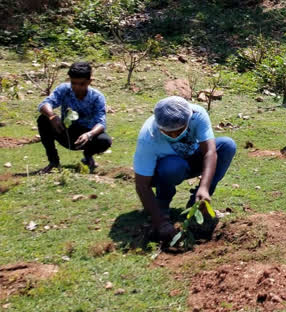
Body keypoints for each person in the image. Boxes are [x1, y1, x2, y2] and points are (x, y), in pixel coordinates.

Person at [132, 96, 236, 241]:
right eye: (168, 133)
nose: (174, 135)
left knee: (227, 145)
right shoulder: (148, 136)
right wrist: (160, 222)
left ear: (188, 120)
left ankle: (198, 201)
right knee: (172, 166)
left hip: (191, 159)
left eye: (179, 130)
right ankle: (162, 207)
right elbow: (142, 184)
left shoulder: (197, 115)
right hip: (164, 171)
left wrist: (204, 187)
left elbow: (210, 152)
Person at [36, 61, 111, 174]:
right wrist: (52, 116)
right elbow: (44, 104)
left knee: (105, 140)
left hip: (86, 138)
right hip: (65, 131)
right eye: (73, 83)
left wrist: (89, 134)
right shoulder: (64, 89)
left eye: (81, 84)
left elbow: (101, 122)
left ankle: (88, 156)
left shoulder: (97, 97)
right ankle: (53, 162)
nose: (76, 87)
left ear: (89, 81)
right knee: (43, 119)